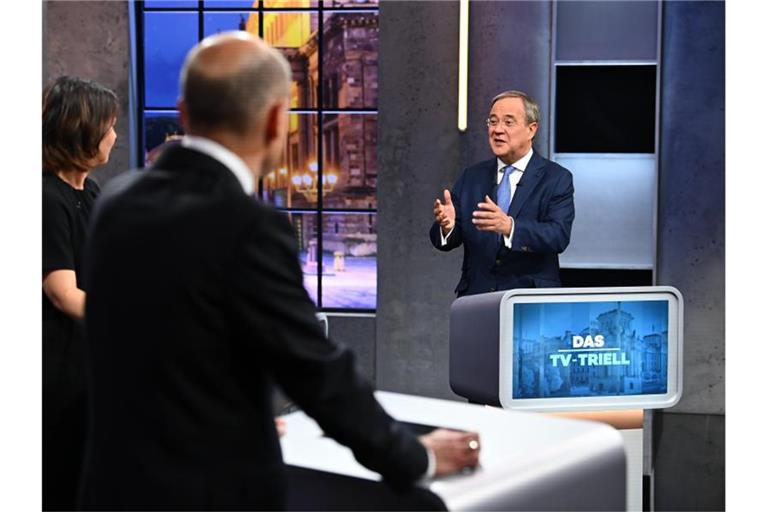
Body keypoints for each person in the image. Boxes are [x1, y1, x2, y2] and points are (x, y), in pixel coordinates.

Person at [80, 32, 480, 511]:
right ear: (275, 120)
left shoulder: (117, 201)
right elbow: (315, 372)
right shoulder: (247, 225)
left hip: (113, 486)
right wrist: (416, 458)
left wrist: (236, 409)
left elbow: (164, 343)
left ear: (184, 115)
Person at [42, 75, 118, 510]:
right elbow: (64, 294)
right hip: (56, 370)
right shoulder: (45, 197)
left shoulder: (88, 190)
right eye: (108, 126)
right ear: (83, 131)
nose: (115, 135)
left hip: (86, 361)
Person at [430, 90, 575, 296]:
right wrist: (448, 227)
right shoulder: (472, 177)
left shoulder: (556, 178)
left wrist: (509, 227)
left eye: (508, 123)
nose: (497, 130)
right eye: (492, 121)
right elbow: (445, 240)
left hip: (529, 301)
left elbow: (558, 236)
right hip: (477, 298)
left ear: (531, 129)